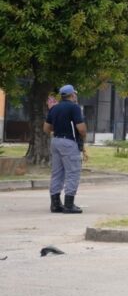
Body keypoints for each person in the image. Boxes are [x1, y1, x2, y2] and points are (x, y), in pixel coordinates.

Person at [43, 85, 87, 213]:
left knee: (57, 173)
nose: (76, 96)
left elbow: (46, 128)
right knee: (73, 172)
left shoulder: (54, 108)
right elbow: (81, 129)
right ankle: (69, 204)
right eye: (75, 94)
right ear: (72, 95)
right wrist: (83, 137)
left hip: (55, 141)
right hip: (69, 142)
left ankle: (55, 204)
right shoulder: (74, 108)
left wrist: (59, 127)